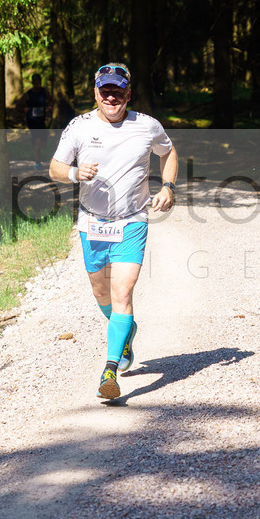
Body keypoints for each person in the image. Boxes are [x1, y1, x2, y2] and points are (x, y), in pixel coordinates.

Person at [49, 62, 178, 399]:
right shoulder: (79, 126)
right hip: (92, 222)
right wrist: (75, 173)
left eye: (117, 91)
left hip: (132, 221)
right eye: (104, 90)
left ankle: (110, 370)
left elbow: (168, 151)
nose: (111, 97)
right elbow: (55, 167)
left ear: (128, 94)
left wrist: (167, 187)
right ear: (95, 93)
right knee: (101, 292)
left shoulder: (147, 126)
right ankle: (126, 332)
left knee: (122, 293)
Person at [19, 73, 53, 167]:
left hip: (41, 120)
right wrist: (24, 109)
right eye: (35, 82)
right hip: (32, 121)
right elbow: (19, 106)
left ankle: (34, 140)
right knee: (37, 141)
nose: (37, 84)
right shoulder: (28, 94)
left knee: (43, 143)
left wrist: (50, 107)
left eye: (38, 82)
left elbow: (51, 101)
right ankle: (37, 162)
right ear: (33, 83)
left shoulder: (44, 92)